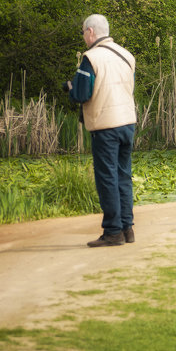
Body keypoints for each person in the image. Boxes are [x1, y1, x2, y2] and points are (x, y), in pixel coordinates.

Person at [65, 14, 137, 247]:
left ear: (91, 32)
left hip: (106, 125)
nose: (84, 37)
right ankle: (127, 229)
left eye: (83, 33)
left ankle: (113, 232)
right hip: (128, 122)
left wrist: (69, 87)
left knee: (107, 178)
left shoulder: (90, 58)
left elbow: (81, 94)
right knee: (123, 176)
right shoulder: (126, 55)